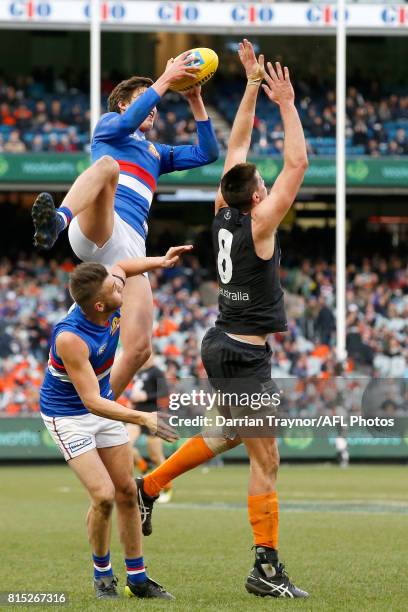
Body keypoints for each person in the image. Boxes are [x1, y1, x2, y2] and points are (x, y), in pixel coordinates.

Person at [136, 40, 309, 598]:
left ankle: (151, 483)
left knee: (228, 433)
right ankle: (265, 568)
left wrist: (253, 83)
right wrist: (284, 100)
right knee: (268, 457)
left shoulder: (222, 211)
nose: (266, 187)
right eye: (262, 186)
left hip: (224, 342)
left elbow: (237, 144)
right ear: (256, 195)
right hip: (240, 350)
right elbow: (298, 163)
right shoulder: (259, 224)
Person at [32, 52, 219, 399]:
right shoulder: (108, 128)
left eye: (155, 105)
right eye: (143, 102)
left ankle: (99, 406)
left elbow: (208, 154)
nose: (153, 109)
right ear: (121, 104)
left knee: (139, 349)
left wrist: (195, 100)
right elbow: (127, 122)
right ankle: (56, 221)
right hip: (97, 225)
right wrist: (164, 80)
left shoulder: (156, 152)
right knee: (107, 167)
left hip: (129, 249)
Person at [40, 245, 191, 600]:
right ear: (98, 306)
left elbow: (122, 265)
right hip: (68, 416)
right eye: (115, 288)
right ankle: (102, 575)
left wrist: (161, 261)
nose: (121, 287)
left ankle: (138, 579)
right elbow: (89, 401)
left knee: (126, 491)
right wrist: (143, 417)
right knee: (104, 496)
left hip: (101, 406)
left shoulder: (107, 295)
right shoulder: (70, 338)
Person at [127, 353, 173, 502]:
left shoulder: (156, 372)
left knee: (156, 455)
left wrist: (145, 397)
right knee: (124, 445)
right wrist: (132, 402)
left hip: (152, 416)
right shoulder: (139, 372)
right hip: (137, 414)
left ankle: (167, 487)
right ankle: (144, 467)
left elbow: (164, 393)